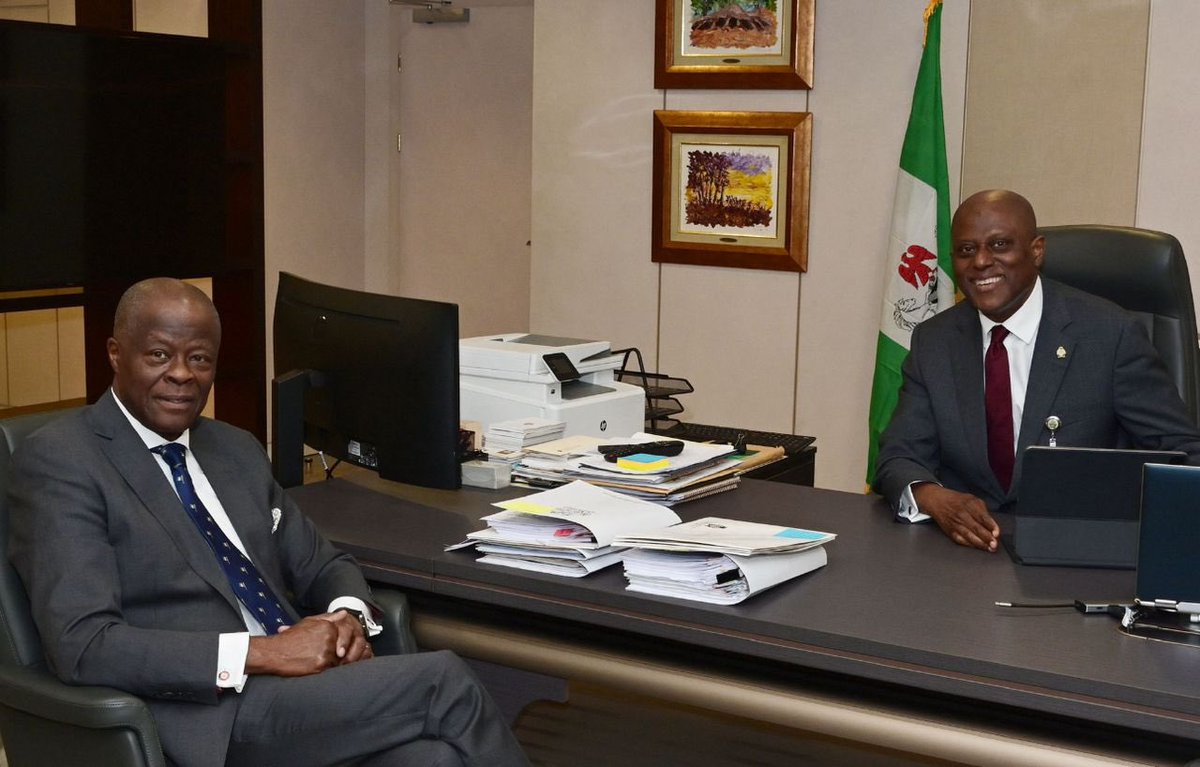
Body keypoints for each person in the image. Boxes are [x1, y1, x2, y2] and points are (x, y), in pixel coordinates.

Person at [7, 278, 529, 767]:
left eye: (200, 359)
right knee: (443, 680)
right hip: (210, 711)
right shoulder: (63, 461)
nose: (182, 374)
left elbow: (324, 564)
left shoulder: (233, 449)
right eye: (160, 355)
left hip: (303, 688)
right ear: (116, 355)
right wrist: (264, 653)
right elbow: (83, 643)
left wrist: (345, 617)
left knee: (433, 759)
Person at [873, 189, 1200, 552]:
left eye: (999, 245)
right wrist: (934, 497)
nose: (981, 262)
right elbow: (897, 456)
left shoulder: (1109, 334)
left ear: (1036, 251)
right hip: (965, 555)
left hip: (1079, 550)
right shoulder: (934, 341)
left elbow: (1181, 456)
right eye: (967, 250)